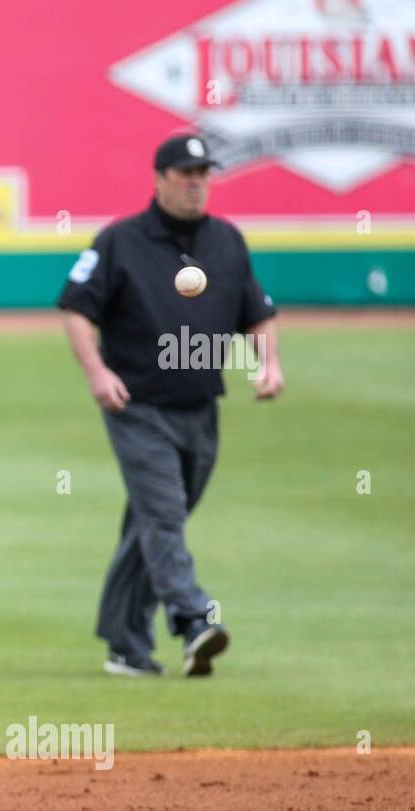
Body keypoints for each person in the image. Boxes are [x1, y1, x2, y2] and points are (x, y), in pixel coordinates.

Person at [57, 133, 284, 678]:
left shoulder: (227, 241)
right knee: (163, 516)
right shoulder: (120, 242)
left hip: (201, 406)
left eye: (203, 174)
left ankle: (124, 645)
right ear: (158, 179)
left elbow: (257, 311)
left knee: (154, 523)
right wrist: (97, 373)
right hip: (136, 405)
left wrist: (269, 363)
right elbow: (76, 308)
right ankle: (192, 619)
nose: (196, 183)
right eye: (185, 174)